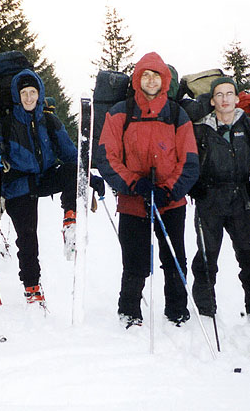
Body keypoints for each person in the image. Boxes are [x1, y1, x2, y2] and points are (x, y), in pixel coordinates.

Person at [0, 69, 101, 306]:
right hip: (18, 186)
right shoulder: (4, 125)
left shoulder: (49, 121)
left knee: (69, 172)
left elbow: (70, 156)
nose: (28, 98)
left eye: (32, 92)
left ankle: (70, 221)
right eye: (24, 93)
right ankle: (32, 288)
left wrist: (87, 177)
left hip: (44, 177)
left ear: (39, 93)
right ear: (17, 95)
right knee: (27, 237)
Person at [96, 52, 199, 328]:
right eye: (145, 75)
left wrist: (169, 191)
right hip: (133, 201)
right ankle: (129, 312)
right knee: (134, 261)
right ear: (137, 79)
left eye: (156, 75)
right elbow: (107, 157)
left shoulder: (177, 114)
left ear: (165, 80)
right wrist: (134, 183)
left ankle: (177, 311)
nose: (151, 80)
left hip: (170, 202)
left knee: (174, 258)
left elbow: (189, 162)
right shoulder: (120, 113)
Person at [188, 77, 250, 322]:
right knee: (206, 256)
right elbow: (187, 159)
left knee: (249, 255)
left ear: (236, 97)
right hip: (209, 198)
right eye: (219, 95)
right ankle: (205, 309)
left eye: (229, 94)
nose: (225, 99)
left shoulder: (249, 126)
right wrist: (194, 186)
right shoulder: (200, 128)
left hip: (239, 197)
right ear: (212, 100)